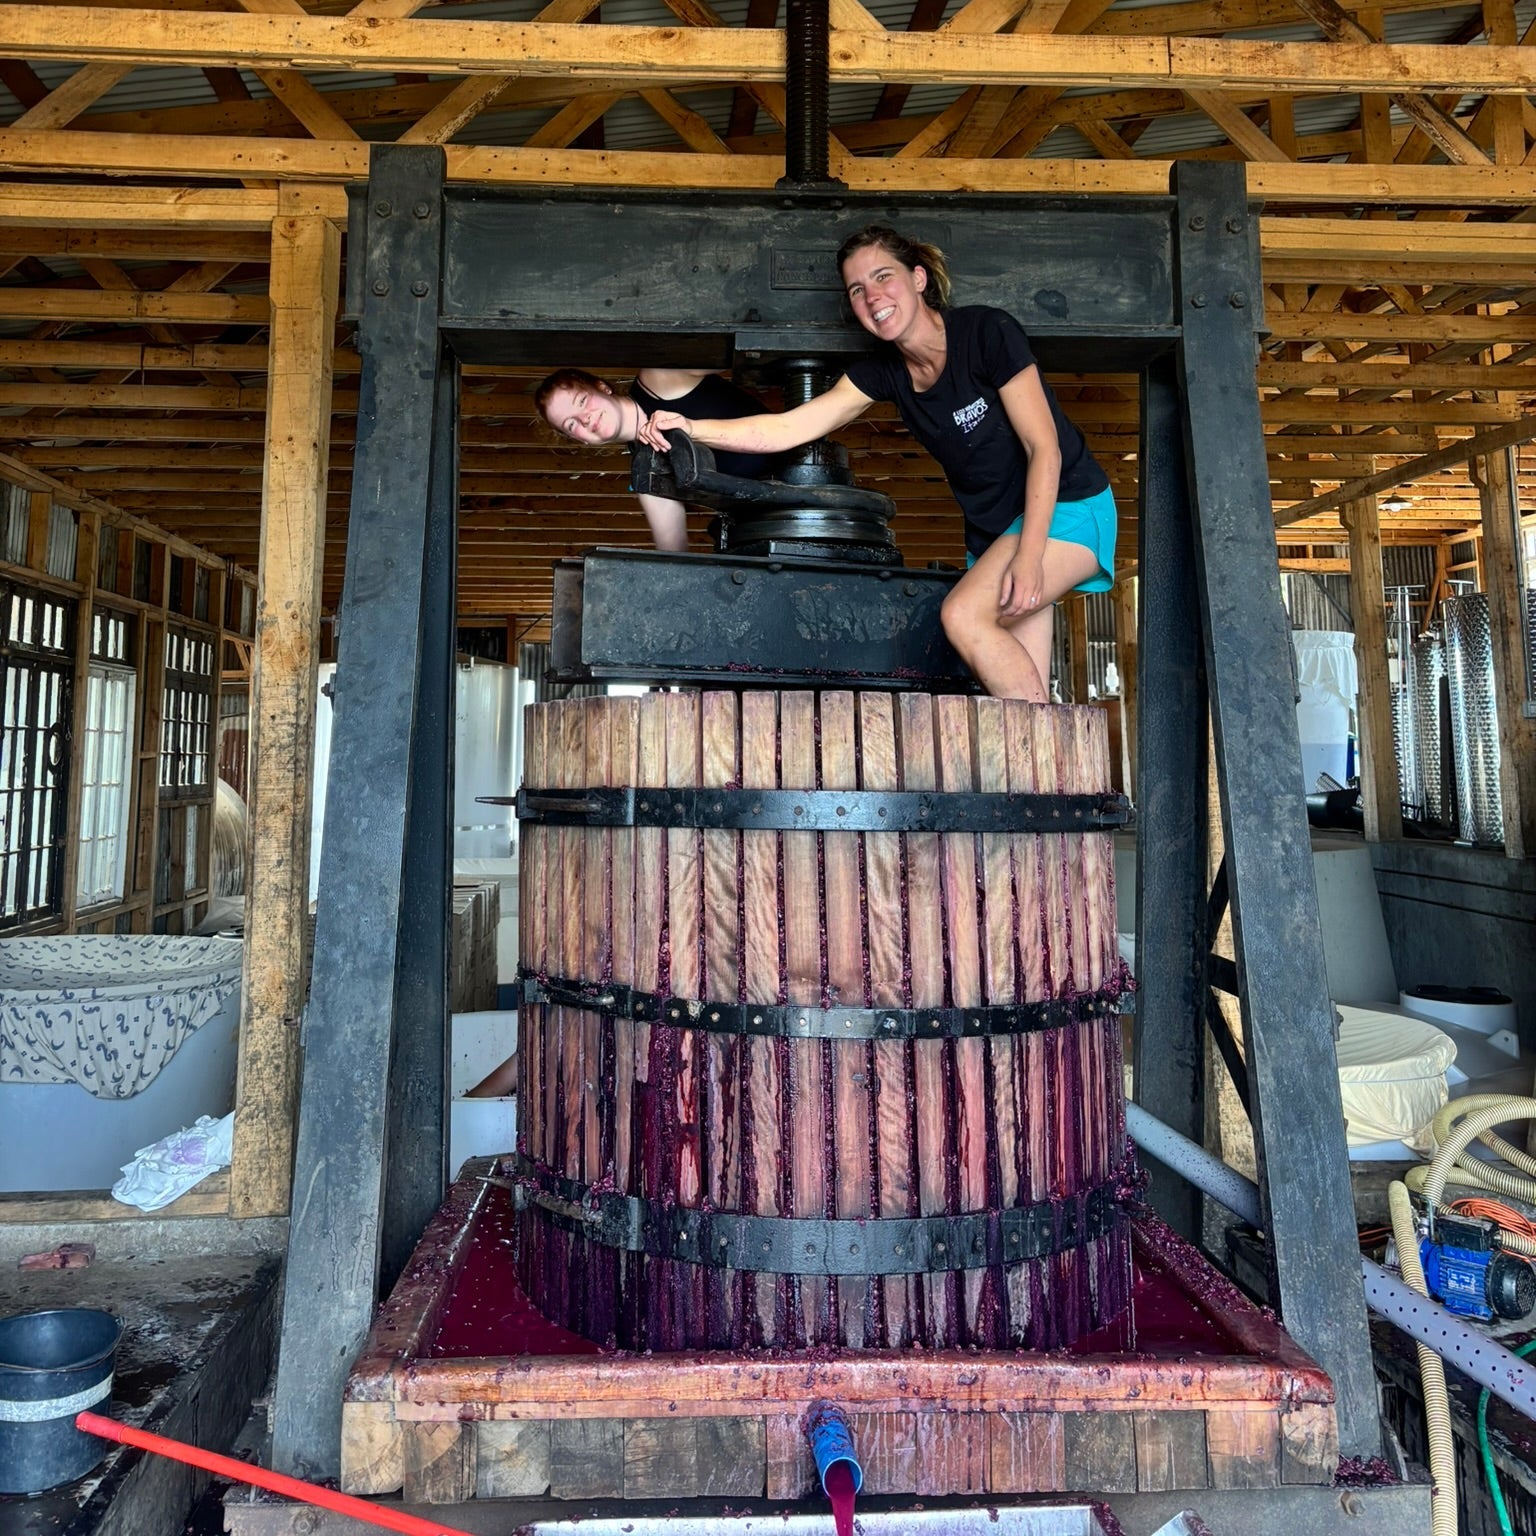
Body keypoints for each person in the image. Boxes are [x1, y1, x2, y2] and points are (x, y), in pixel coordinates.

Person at [635, 227, 1116, 703]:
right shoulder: (886, 372)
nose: (873, 297)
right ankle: (1041, 781)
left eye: (884, 276)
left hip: (1065, 508)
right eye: (858, 289)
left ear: (920, 278)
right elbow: (787, 429)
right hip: (995, 534)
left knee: (964, 618)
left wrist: (1029, 559)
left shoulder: (986, 334)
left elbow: (1043, 448)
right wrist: (692, 427)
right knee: (1023, 699)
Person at [534, 366, 783, 552]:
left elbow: (749, 357)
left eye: (582, 401)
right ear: (580, 440)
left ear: (602, 386)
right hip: (774, 521)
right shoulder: (649, 474)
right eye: (570, 424)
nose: (584, 418)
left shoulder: (658, 378)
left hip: (804, 471)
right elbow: (673, 553)